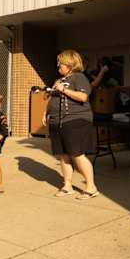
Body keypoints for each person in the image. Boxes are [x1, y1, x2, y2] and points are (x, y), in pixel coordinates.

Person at [42, 50, 99, 200]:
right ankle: (67, 186)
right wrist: (45, 113)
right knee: (63, 155)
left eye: (60, 62)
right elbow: (51, 99)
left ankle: (91, 187)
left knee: (77, 154)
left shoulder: (79, 77)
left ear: (70, 64)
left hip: (75, 120)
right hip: (57, 121)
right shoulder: (59, 80)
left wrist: (64, 89)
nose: (58, 65)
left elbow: (83, 97)